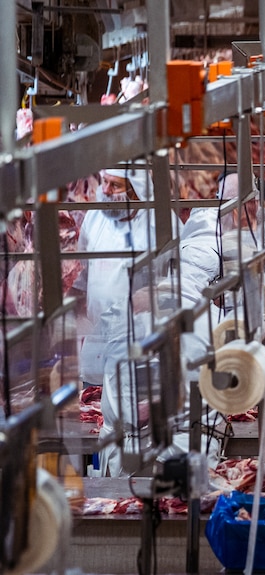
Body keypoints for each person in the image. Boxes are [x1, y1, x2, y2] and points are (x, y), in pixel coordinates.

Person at [72, 164, 164, 477]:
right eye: (104, 183)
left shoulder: (158, 224)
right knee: (100, 426)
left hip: (142, 352)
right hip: (97, 343)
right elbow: (82, 276)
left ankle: (135, 494)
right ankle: (107, 490)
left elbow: (180, 281)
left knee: (137, 432)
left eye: (114, 185)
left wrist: (155, 295)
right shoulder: (95, 217)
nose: (105, 191)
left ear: (136, 188)